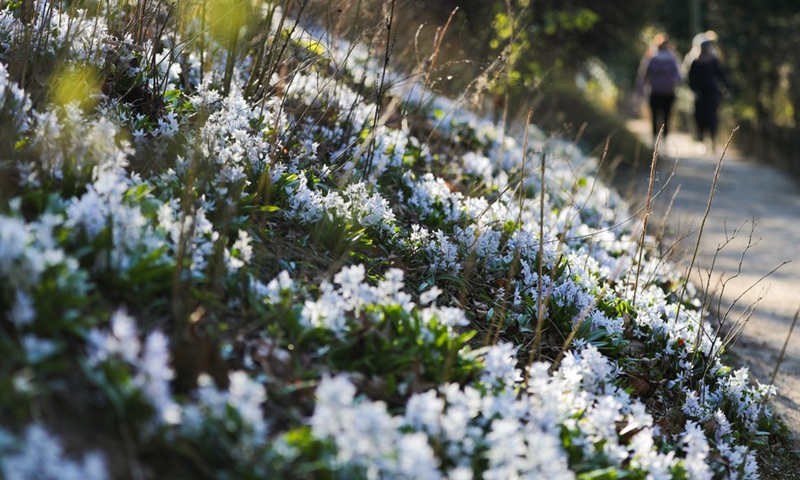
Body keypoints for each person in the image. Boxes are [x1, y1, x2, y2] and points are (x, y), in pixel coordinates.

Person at [637, 36, 683, 146]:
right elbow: (645, 75)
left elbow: (644, 75)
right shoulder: (667, 59)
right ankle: (658, 140)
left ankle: (659, 140)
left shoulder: (655, 58)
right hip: (662, 92)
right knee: (660, 117)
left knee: (661, 117)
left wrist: (640, 89)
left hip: (661, 92)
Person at [688, 39, 731, 152]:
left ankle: (712, 141)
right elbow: (691, 79)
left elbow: (722, 76)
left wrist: (727, 90)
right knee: (700, 118)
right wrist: (694, 90)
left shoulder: (714, 61)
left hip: (712, 93)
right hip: (700, 95)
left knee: (712, 118)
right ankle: (702, 141)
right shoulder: (695, 62)